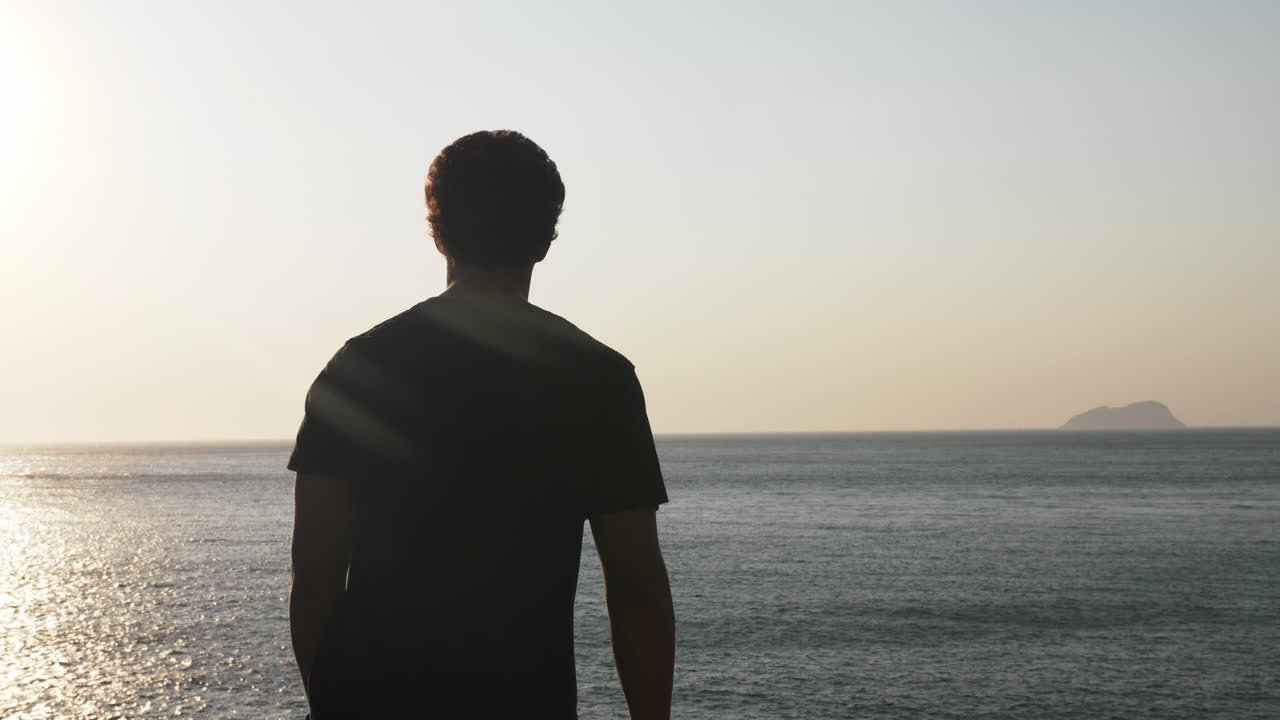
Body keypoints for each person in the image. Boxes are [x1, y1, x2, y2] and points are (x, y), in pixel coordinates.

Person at [287, 130, 674, 719]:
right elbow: (636, 587)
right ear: (545, 238)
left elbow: (315, 577)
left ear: (437, 232)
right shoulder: (600, 379)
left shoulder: (357, 368)